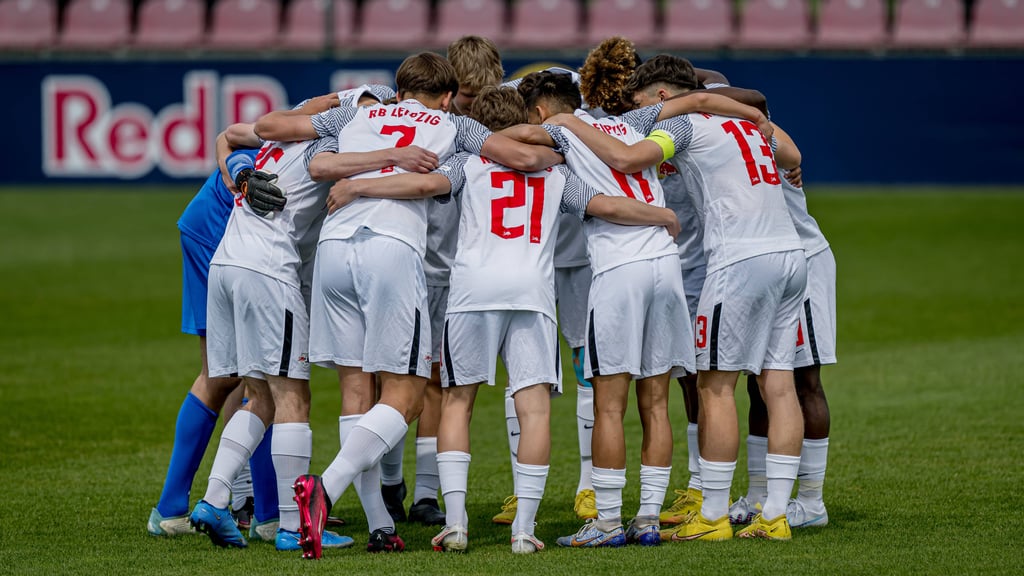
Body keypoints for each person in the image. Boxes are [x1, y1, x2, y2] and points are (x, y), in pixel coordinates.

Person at [325, 85, 681, 554]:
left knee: (457, 404)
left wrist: (359, 185)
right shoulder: (557, 172)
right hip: (532, 293)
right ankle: (524, 531)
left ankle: (455, 525)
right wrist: (662, 216)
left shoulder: (466, 163)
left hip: (472, 291)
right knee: (533, 407)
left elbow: (422, 185)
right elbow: (609, 206)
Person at [253, 52, 563, 559]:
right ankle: (325, 490)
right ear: (445, 95)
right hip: (391, 249)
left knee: (357, 388)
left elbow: (315, 163)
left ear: (398, 90)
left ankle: (379, 524)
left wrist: (371, 164)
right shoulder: (453, 123)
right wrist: (558, 151)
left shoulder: (354, 113)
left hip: (334, 247)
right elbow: (520, 157)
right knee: (410, 394)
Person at [547, 54, 806, 541]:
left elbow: (627, 158)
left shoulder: (684, 126)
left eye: (642, 104)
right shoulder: (750, 128)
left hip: (740, 260)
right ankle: (775, 514)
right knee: (779, 382)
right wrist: (756, 120)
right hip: (791, 256)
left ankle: (712, 516)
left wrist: (568, 123)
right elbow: (792, 157)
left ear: (662, 97)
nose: (635, 114)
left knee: (715, 387)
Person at [377, 36, 509, 527]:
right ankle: (389, 483)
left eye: (480, 97)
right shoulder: (426, 121)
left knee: (440, 382)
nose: (472, 108)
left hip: (457, 278)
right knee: (389, 379)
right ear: (449, 91)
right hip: (407, 264)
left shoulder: (496, 119)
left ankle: (427, 494)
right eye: (465, 98)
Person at [146, 148, 280, 540]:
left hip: (226, 230)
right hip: (219, 232)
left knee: (246, 372)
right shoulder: (341, 128)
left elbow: (228, 138)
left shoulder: (344, 125)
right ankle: (267, 515)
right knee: (249, 374)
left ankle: (246, 503)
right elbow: (230, 140)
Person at [729, 125, 836, 530]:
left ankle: (810, 502)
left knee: (803, 380)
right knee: (759, 382)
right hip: (762, 264)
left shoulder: (753, 130)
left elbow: (792, 154)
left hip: (801, 262)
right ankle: (760, 495)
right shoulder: (719, 135)